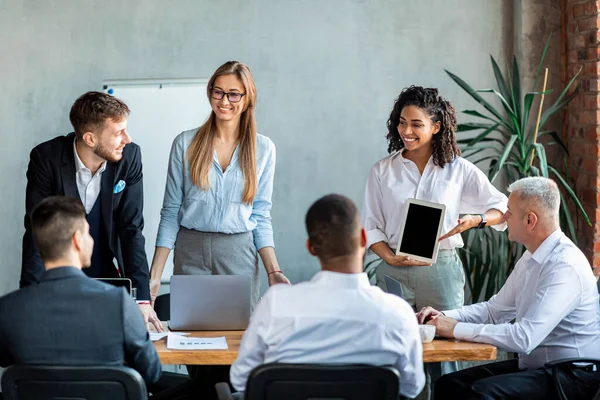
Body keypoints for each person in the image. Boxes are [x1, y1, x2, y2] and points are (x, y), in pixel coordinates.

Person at [361, 86, 508, 396]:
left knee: (445, 356)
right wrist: (388, 257)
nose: (406, 131)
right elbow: (370, 224)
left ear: (437, 126)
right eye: (402, 122)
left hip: (441, 271)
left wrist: (475, 220)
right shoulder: (382, 171)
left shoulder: (458, 170)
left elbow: (502, 207)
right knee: (394, 351)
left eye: (416, 124)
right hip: (393, 270)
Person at [417, 177, 600, 400]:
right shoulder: (531, 257)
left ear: (530, 220)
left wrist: (454, 328)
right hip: (539, 368)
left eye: (509, 212)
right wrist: (443, 317)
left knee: (479, 394)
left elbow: (524, 338)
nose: (503, 218)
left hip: (571, 377)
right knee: (449, 384)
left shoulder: (565, 266)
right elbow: (494, 311)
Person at [230, 194, 425, 399]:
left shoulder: (276, 304)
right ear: (364, 239)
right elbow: (411, 387)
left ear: (311, 248)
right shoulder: (398, 313)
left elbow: (241, 378)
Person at [150, 61, 289, 308]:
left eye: (234, 94)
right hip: (191, 250)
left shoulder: (264, 149)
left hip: (239, 252)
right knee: (189, 332)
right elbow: (170, 212)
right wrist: (155, 275)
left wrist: (273, 271)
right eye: (218, 91)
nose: (224, 101)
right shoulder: (185, 144)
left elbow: (260, 214)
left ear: (248, 98)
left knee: (240, 336)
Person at [21, 91, 162, 331]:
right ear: (89, 138)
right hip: (59, 276)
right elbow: (38, 232)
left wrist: (142, 299)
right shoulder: (46, 159)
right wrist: (31, 300)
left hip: (108, 272)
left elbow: (131, 229)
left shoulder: (130, 157)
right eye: (118, 133)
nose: (127, 139)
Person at [1, 196, 162, 387]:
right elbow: (152, 372)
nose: (91, 240)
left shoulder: (7, 309)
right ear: (77, 240)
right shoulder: (119, 303)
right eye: (87, 233)